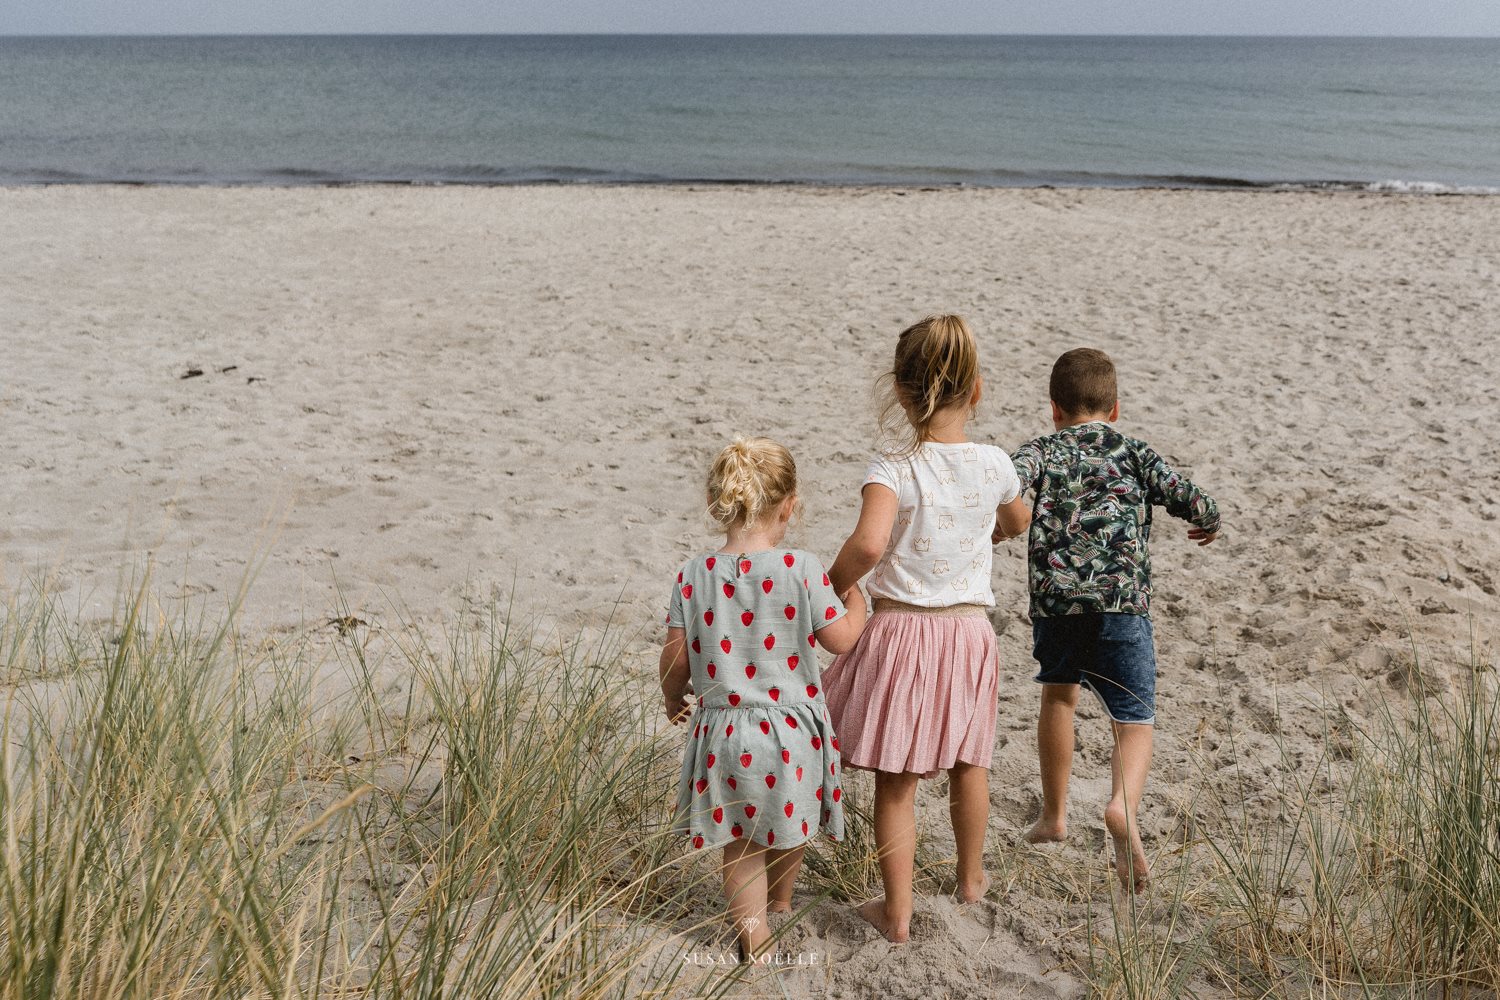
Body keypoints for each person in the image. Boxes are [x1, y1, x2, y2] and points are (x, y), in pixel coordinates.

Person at [822, 314, 1031, 943]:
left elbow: (868, 544)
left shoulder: (894, 464)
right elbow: (1019, 520)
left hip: (904, 632)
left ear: (904, 392)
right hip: (970, 633)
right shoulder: (995, 463)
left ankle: (898, 912)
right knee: (971, 760)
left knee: (898, 778)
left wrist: (830, 585)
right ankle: (971, 880)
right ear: (977, 390)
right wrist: (987, 533)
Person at [1006, 347, 1221, 892]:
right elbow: (1189, 498)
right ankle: (1122, 805)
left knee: (1058, 695)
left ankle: (1054, 817)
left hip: (1056, 605)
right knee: (1134, 715)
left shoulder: (1043, 450)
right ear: (1116, 408)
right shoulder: (1135, 452)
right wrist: (1208, 521)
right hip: (1121, 606)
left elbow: (1006, 481)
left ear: (1054, 408)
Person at [660, 436, 867, 962]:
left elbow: (675, 658)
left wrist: (671, 697)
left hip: (726, 731)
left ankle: (753, 927)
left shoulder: (692, 576)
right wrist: (859, 603)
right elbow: (840, 639)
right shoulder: (802, 568)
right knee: (791, 819)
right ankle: (778, 903)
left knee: (741, 838)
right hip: (793, 731)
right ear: (788, 506)